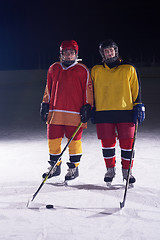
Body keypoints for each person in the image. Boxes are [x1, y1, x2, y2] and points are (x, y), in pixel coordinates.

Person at [91, 39, 145, 184]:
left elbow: (136, 89)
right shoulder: (96, 70)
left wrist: (138, 105)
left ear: (116, 50)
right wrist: (90, 106)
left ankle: (127, 170)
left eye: (111, 50)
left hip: (125, 111)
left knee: (127, 144)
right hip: (103, 112)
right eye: (106, 51)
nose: (109, 53)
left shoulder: (129, 68)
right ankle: (110, 169)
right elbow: (91, 91)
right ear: (102, 54)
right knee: (107, 144)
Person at [40, 40, 93, 181]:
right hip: (55, 113)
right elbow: (48, 88)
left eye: (71, 53)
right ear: (61, 54)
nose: (68, 56)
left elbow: (88, 91)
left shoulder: (82, 70)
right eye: (65, 53)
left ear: (76, 54)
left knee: (74, 141)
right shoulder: (54, 68)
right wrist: (45, 104)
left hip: (75, 114)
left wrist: (88, 106)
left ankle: (73, 167)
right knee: (53, 140)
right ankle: (54, 166)